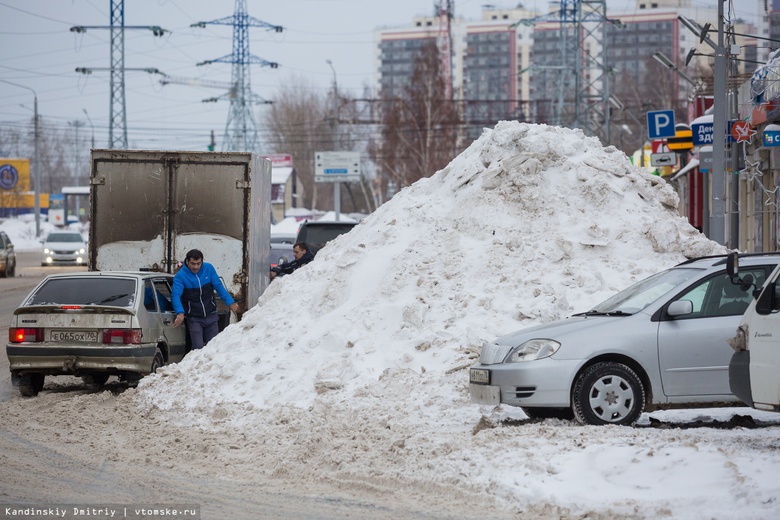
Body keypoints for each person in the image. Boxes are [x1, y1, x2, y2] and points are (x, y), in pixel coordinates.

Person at [171, 249, 239, 350]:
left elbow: (219, 287)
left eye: (199, 263)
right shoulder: (180, 277)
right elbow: (175, 295)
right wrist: (180, 313)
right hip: (194, 318)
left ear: (202, 261)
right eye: (193, 264)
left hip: (211, 315)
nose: (196, 267)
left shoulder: (209, 268)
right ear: (187, 261)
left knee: (213, 347)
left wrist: (230, 303)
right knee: (198, 347)